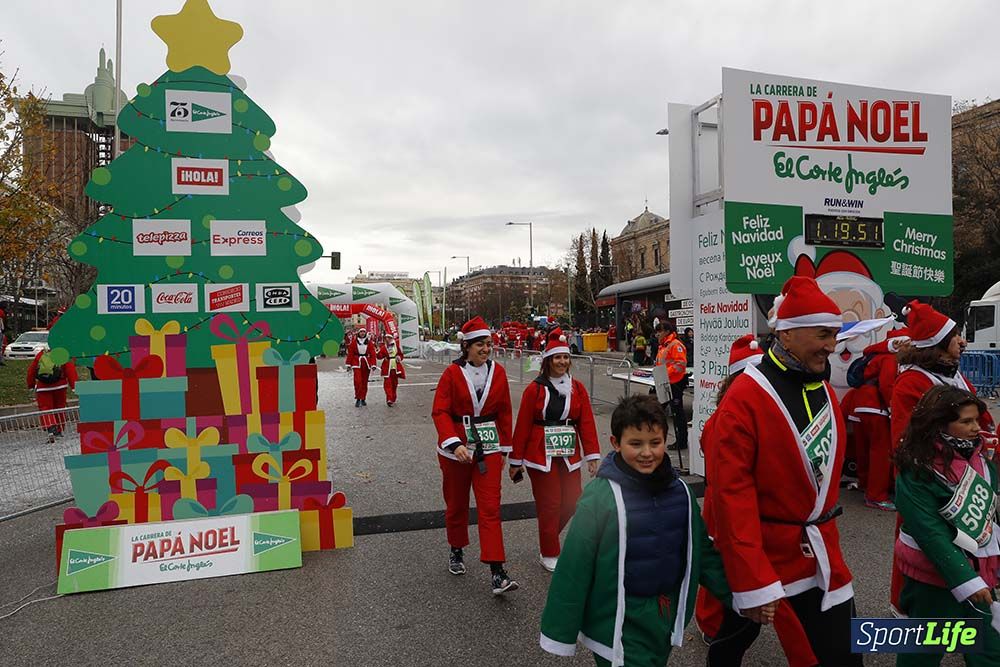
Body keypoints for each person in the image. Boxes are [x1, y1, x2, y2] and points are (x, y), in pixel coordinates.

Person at [707, 276, 860, 666]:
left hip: (822, 550)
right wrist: (753, 578)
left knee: (841, 652)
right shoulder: (744, 398)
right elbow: (731, 496)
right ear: (787, 335)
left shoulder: (820, 384)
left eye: (835, 334)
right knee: (735, 638)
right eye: (823, 333)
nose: (832, 344)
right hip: (770, 551)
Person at [539, 395, 733, 666]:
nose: (647, 452)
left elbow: (703, 553)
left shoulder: (682, 494)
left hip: (664, 613)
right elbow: (575, 564)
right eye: (635, 443)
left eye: (655, 443)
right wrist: (560, 629)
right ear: (616, 443)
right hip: (620, 617)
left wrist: (741, 594)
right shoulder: (600, 496)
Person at [697, 335, 819, 667]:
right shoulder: (725, 418)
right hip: (737, 514)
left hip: (772, 520)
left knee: (753, 600)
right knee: (733, 583)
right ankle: (713, 627)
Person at [888, 301, 995, 612]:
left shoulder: (954, 375)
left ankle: (972, 602)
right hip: (932, 483)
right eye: (955, 336)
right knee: (924, 550)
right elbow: (906, 442)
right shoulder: (912, 381)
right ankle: (913, 609)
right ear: (937, 345)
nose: (962, 341)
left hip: (966, 475)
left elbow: (981, 416)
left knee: (971, 544)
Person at [892, 385, 1000, 666]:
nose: (976, 427)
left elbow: (990, 515)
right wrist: (966, 580)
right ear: (939, 423)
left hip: (979, 573)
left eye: (977, 419)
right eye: (966, 421)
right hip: (932, 579)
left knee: (990, 651)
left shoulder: (983, 460)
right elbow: (928, 530)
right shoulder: (917, 468)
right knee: (923, 654)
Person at [431, 316, 518, 595]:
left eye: (489, 344)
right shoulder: (451, 374)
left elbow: (505, 410)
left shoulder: (499, 372)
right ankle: (456, 549)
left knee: (490, 507)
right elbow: (440, 411)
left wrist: (505, 448)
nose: (486, 349)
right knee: (456, 503)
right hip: (456, 450)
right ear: (466, 346)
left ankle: (497, 571)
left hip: (489, 448)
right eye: (480, 344)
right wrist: (454, 443)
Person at [509, 327, 601, 572]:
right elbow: (523, 425)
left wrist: (592, 455)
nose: (562, 362)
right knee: (550, 503)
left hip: (568, 451)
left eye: (565, 357)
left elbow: (587, 421)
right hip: (540, 454)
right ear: (548, 360)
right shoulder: (534, 389)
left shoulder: (578, 388)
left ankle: (547, 536)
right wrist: (515, 460)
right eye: (557, 358)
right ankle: (549, 550)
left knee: (572, 501)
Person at [852, 329, 910, 511]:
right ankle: (876, 495)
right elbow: (887, 384)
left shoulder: (877, 355)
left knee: (865, 450)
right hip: (876, 408)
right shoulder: (890, 359)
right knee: (881, 452)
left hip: (862, 404)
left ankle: (865, 484)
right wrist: (894, 408)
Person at [27, 349, 78, 442]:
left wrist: (31, 384)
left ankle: (50, 427)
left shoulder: (42, 354)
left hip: (43, 387)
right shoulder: (62, 353)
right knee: (60, 408)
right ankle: (58, 430)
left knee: (45, 408)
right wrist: (74, 385)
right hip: (60, 386)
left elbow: (32, 369)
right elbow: (70, 369)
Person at [655, 323, 689, 452]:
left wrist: (664, 373)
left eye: (660, 331)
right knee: (659, 410)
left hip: (675, 383)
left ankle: (682, 441)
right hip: (665, 382)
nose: (657, 334)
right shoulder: (664, 345)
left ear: (667, 331)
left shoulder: (675, 345)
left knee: (677, 413)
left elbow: (680, 364)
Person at [345, 327, 376, 407]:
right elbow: (350, 354)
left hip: (366, 363)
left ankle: (363, 398)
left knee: (364, 382)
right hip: (356, 362)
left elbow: (373, 354)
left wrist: (373, 364)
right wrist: (348, 364)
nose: (362, 333)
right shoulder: (354, 343)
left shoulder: (369, 343)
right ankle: (358, 398)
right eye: (361, 332)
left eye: (363, 332)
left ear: (365, 333)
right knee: (358, 381)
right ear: (358, 333)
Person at [376, 333, 405, 407]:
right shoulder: (384, 347)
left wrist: (399, 357)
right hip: (387, 367)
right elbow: (379, 356)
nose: (387, 339)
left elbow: (401, 354)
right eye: (386, 338)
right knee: (387, 384)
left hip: (395, 367)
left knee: (394, 384)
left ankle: (393, 397)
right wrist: (377, 352)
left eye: (389, 338)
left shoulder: (396, 346)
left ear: (391, 338)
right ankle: (389, 398)